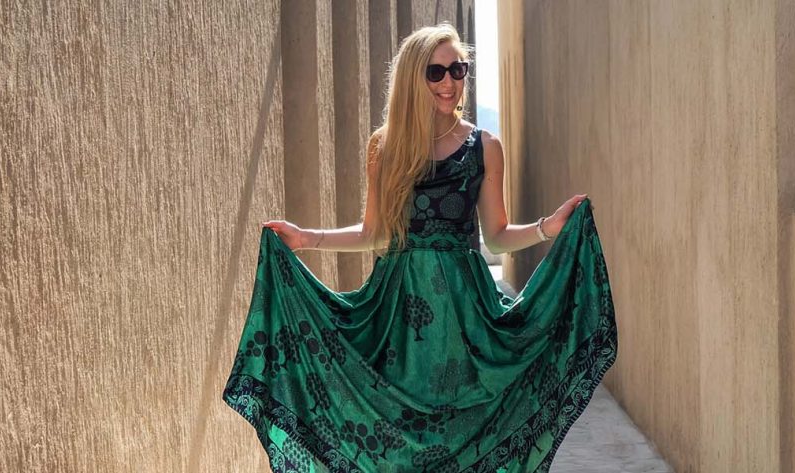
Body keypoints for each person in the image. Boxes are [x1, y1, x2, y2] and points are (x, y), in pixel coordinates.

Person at [223, 23, 617, 473]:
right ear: (414, 76)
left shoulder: (485, 147)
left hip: (464, 315)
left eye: (458, 70)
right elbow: (375, 233)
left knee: (463, 426)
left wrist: (549, 228)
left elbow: (496, 236)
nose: (449, 82)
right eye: (436, 72)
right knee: (397, 438)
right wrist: (306, 239)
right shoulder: (385, 147)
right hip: (399, 314)